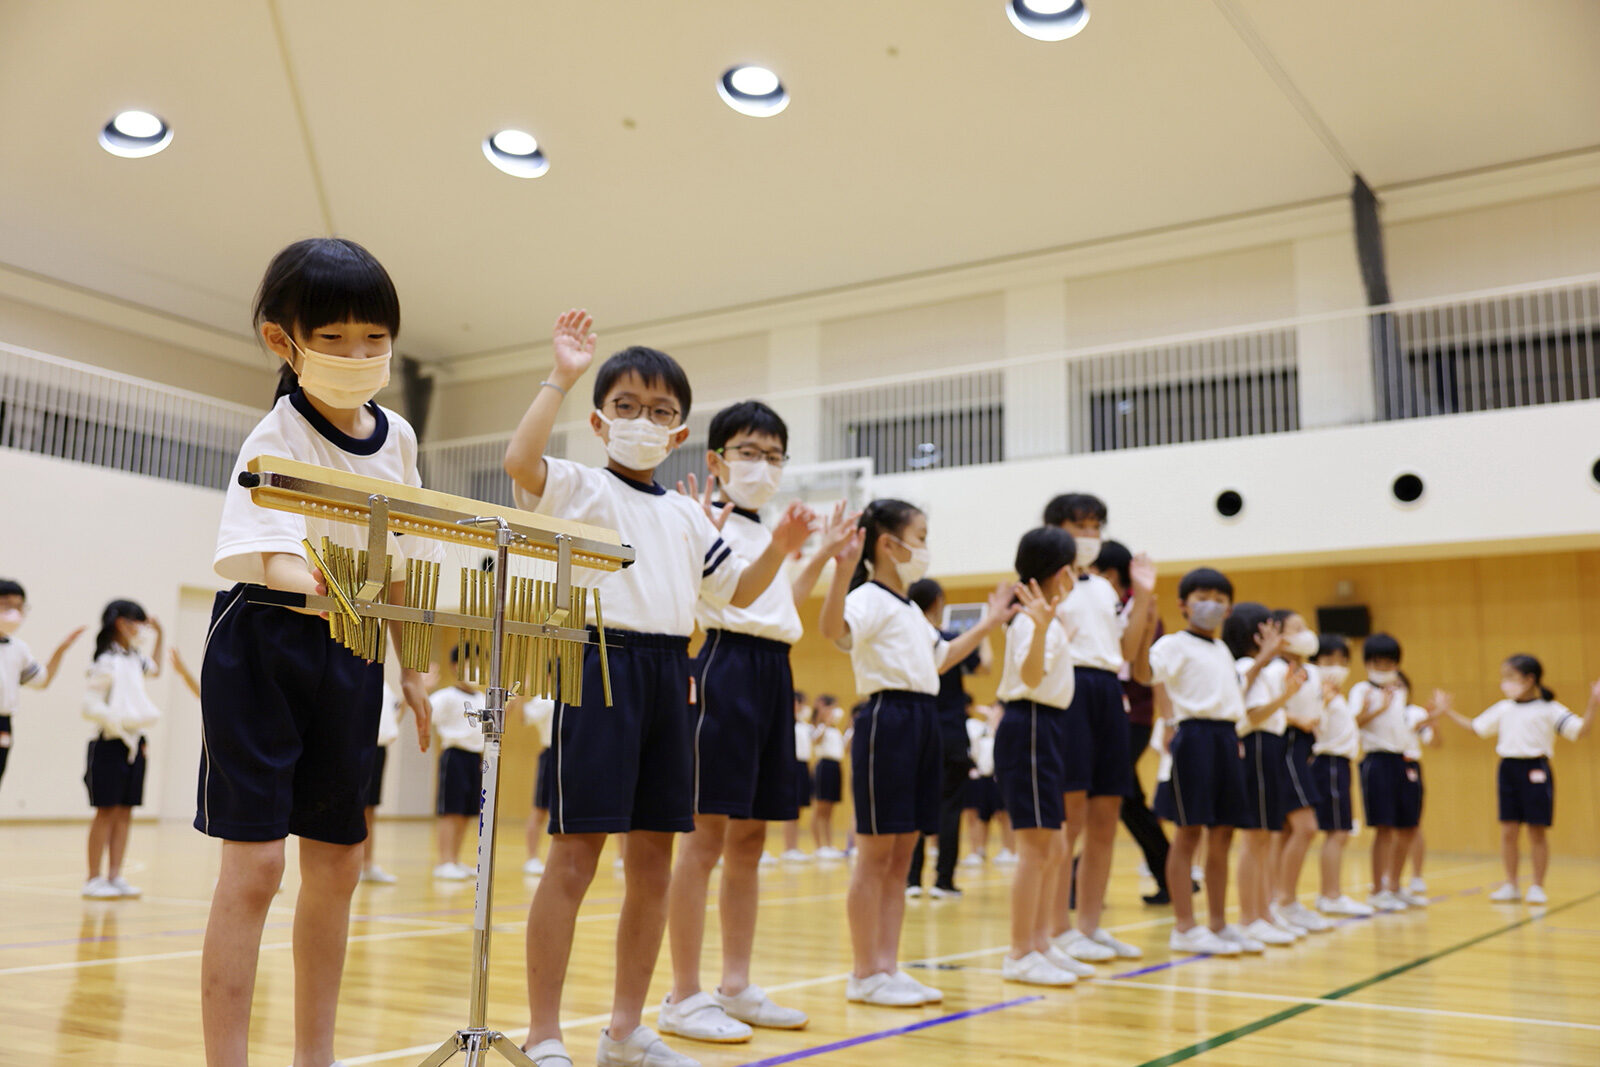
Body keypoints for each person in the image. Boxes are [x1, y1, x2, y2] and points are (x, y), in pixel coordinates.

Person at [502, 310, 812, 1067]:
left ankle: (625, 1029)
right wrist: (562, 373)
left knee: (651, 863)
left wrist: (783, 547)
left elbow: (738, 591)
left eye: (662, 411)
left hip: (672, 676)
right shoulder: (576, 486)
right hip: (600, 668)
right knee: (574, 857)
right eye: (629, 406)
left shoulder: (681, 512)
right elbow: (519, 459)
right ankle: (544, 1033)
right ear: (601, 422)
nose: (645, 419)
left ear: (679, 436)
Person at [197, 237, 436, 1067]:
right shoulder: (274, 438)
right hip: (265, 640)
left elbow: (399, 555)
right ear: (282, 340)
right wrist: (340, 589)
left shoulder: (398, 437)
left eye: (374, 337)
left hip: (354, 645)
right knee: (258, 867)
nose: (358, 354)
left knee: (337, 867)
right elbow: (276, 560)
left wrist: (412, 667)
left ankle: (315, 1059)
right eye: (333, 338)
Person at [661, 400, 856, 1047]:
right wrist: (785, 547)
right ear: (716, 459)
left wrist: (821, 552)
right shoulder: (696, 514)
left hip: (776, 670)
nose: (763, 465)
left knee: (750, 840)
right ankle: (683, 993)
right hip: (723, 667)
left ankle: (735, 983)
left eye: (775, 455)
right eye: (749, 451)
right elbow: (730, 597)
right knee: (704, 837)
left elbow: (779, 604)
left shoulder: (765, 527)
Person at [818, 498, 1013, 1007]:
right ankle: (864, 973)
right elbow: (831, 631)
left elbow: (943, 657)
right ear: (888, 543)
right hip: (889, 719)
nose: (925, 548)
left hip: (924, 719)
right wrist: (840, 572)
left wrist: (990, 623)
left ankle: (888, 966)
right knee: (876, 850)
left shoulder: (907, 608)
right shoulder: (866, 598)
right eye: (920, 536)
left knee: (903, 851)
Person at [1041, 493, 1155, 962]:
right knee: (1068, 818)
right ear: (1054, 529)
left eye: (1095, 527)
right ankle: (1056, 927)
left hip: (1110, 692)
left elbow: (1128, 652)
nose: (1089, 535)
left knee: (1106, 815)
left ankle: (1089, 927)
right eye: (1079, 526)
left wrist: (1144, 595)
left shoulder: (1106, 590)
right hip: (1068, 692)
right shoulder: (1043, 583)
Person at [995, 527, 1090, 987]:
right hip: (1029, 724)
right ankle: (1018, 953)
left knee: (1053, 845)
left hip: (1048, 727)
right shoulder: (1028, 622)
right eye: (1071, 567)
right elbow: (1030, 677)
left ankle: (1041, 943)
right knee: (1035, 847)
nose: (1076, 575)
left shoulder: (1046, 620)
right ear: (1058, 571)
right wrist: (1042, 630)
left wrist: (1053, 630)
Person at [1437, 655, 1597, 905]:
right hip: (1508, 769)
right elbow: (1476, 727)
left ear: (1529, 679)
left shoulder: (1549, 708)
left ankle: (1537, 886)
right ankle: (1511, 884)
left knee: (1537, 831)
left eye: (1510, 677)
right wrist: (1448, 712)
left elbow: (1581, 731)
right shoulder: (1504, 708)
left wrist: (1593, 703)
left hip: (1536, 770)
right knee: (1508, 831)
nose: (1505, 683)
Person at [1146, 567, 1247, 957]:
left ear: (1229, 609)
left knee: (1223, 833)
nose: (1213, 605)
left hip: (1226, 737)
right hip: (1194, 736)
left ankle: (1218, 924)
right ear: (1183, 604)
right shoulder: (1174, 644)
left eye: (1221, 600)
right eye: (1204, 596)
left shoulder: (1222, 649)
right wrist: (1169, 721)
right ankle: (1185, 927)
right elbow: (1152, 676)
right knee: (1189, 832)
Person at [1089, 541, 1170, 905]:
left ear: (1108, 574)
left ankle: (1079, 881)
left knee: (1110, 797)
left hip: (1131, 718)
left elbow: (1148, 670)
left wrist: (1167, 721)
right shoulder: (1102, 607)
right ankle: (1172, 875)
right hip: (1108, 716)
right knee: (1128, 800)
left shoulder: (1140, 610)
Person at [904, 577, 990, 898]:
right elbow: (985, 666)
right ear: (938, 601)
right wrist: (984, 631)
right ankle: (943, 881)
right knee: (950, 808)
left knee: (914, 806)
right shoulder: (951, 639)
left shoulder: (908, 639)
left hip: (917, 731)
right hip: (951, 735)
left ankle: (911, 880)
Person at [1224, 602, 1302, 948]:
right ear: (1256, 634)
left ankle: (1263, 913)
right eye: (1270, 628)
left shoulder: (1264, 669)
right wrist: (1285, 696)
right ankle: (1248, 917)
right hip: (1255, 746)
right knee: (1254, 836)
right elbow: (1254, 715)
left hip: (1270, 747)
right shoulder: (1245, 666)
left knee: (1266, 836)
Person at [81, 599, 163, 899]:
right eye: (136, 621)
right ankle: (93, 877)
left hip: (136, 743)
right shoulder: (105, 661)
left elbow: (154, 670)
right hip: (109, 740)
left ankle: (115, 875)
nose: (141, 628)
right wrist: (114, 720)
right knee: (105, 811)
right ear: (121, 623)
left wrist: (161, 634)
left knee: (126, 811)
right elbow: (90, 705)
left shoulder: (134, 659)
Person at [1267, 610, 1333, 934]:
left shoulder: (1313, 671)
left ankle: (1277, 902)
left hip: (1306, 747)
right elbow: (1265, 707)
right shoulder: (1275, 669)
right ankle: (1286, 902)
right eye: (1296, 627)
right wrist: (1297, 722)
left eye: (1305, 626)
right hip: (1285, 745)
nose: (1305, 632)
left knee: (1286, 830)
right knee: (1305, 826)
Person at [1349, 633, 1419, 912]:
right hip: (1376, 761)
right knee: (1384, 828)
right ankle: (1377, 889)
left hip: (1401, 760)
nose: (1385, 668)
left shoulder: (1399, 691)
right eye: (1378, 662)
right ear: (1367, 663)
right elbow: (1352, 723)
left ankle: (1395, 886)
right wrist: (1377, 709)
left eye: (1390, 663)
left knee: (1407, 826)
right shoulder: (1361, 690)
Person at [1308, 635, 1372, 917]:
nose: (1337, 666)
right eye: (1328, 660)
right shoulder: (1317, 692)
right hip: (1328, 763)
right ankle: (1330, 895)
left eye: (1342, 660)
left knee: (1340, 832)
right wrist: (1322, 700)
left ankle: (1331, 894)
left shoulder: (1337, 694)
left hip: (1341, 764)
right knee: (1337, 831)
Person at [0, 578, 84, 793]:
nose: (15, 613)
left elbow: (41, 680)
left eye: (20, 607)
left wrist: (61, 650)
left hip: (3, 723)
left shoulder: (19, 649)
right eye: (7, 605)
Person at [431, 647, 485, 880]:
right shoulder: (446, 696)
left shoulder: (482, 698)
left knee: (465, 811)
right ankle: (444, 861)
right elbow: (428, 714)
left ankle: (455, 859)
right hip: (454, 755)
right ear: (455, 666)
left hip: (476, 757)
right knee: (451, 810)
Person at [1398, 671, 1440, 905]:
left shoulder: (1415, 713)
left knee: (1412, 824)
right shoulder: (1379, 709)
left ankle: (1416, 876)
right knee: (1388, 827)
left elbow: (1434, 742)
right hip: (1386, 765)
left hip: (1410, 766)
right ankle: (1389, 879)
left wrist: (1434, 721)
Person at [358, 681, 403, 884]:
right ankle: (352, 862)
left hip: (379, 749)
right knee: (355, 807)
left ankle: (367, 865)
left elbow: (394, 721)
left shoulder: (385, 686)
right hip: (358, 747)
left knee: (370, 809)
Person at [960, 704, 1005, 865]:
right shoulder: (978, 729)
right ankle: (977, 850)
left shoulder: (1003, 730)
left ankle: (1009, 850)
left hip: (999, 778)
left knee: (1003, 815)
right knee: (977, 816)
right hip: (981, 778)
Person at [523, 695, 557, 876]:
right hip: (551, 754)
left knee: (563, 811)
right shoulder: (545, 699)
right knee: (540, 809)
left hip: (571, 756)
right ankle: (532, 858)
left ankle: (556, 859)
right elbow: (525, 717)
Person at [811, 696, 847, 858]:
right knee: (820, 808)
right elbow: (815, 740)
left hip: (835, 767)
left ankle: (829, 845)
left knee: (829, 810)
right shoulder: (818, 727)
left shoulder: (836, 731)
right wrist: (824, 722)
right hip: (824, 766)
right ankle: (820, 846)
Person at [782, 697, 814, 862]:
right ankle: (789, 848)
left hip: (803, 765)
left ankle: (794, 847)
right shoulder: (787, 723)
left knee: (799, 809)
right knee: (791, 808)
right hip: (791, 764)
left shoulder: (804, 726)